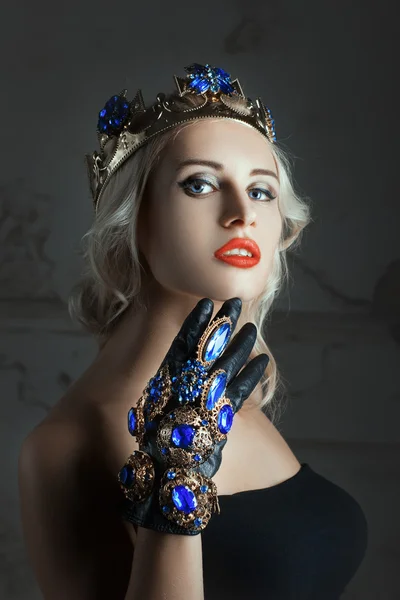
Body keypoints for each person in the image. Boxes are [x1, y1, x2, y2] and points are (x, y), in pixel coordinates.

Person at [18, 63, 368, 599]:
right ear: (134, 222)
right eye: (200, 184)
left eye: (261, 191)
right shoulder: (67, 446)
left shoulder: (226, 396)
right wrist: (171, 498)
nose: (240, 215)